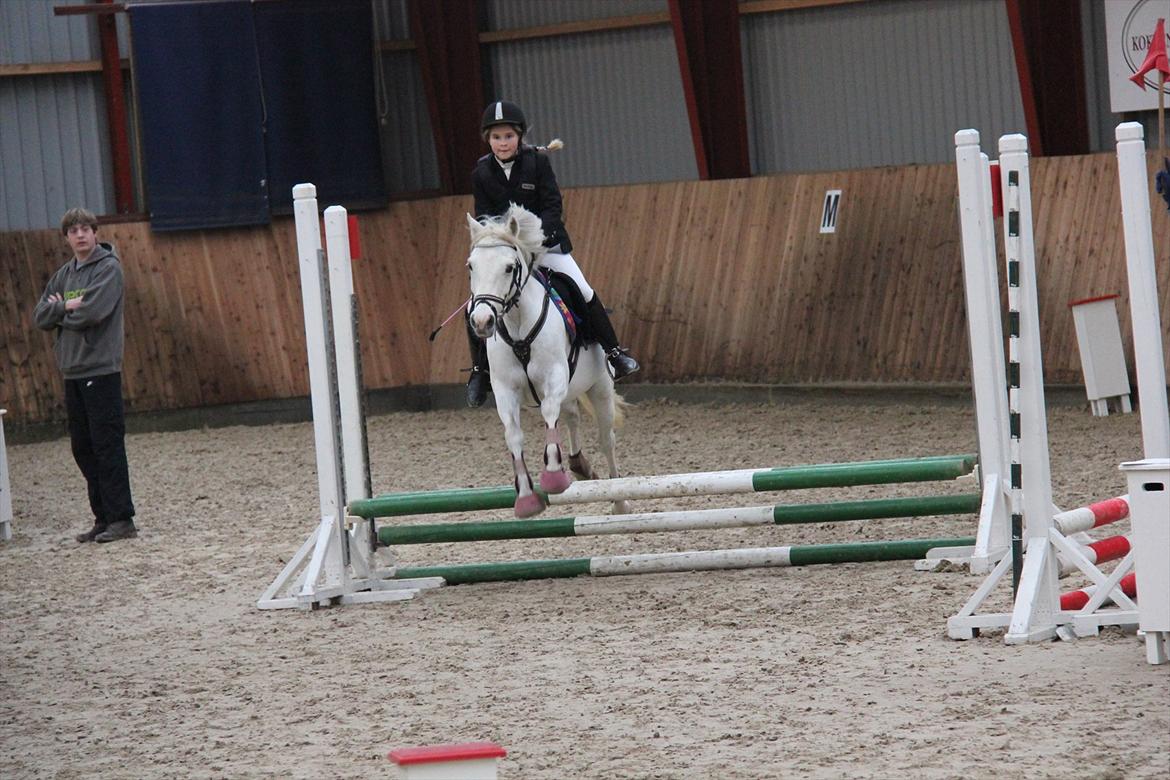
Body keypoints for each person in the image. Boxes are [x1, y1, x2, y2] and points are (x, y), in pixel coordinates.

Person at [465, 100, 640, 407]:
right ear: (487, 140)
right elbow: (484, 218)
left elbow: (552, 206)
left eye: (508, 136)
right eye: (496, 137)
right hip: (507, 254)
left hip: (546, 247)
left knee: (582, 289)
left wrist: (537, 240)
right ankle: (480, 371)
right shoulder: (481, 173)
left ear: (519, 136)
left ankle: (614, 352)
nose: (502, 143)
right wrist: (497, 245)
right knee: (475, 304)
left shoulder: (537, 163)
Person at [33, 208, 138, 543]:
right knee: (83, 447)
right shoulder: (64, 274)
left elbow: (92, 312)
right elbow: (40, 315)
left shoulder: (108, 269)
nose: (79, 235)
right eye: (73, 230)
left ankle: (122, 519)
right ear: (66, 237)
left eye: (85, 229)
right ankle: (102, 517)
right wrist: (65, 306)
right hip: (72, 371)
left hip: (100, 369)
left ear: (95, 233)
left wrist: (62, 309)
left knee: (107, 444)